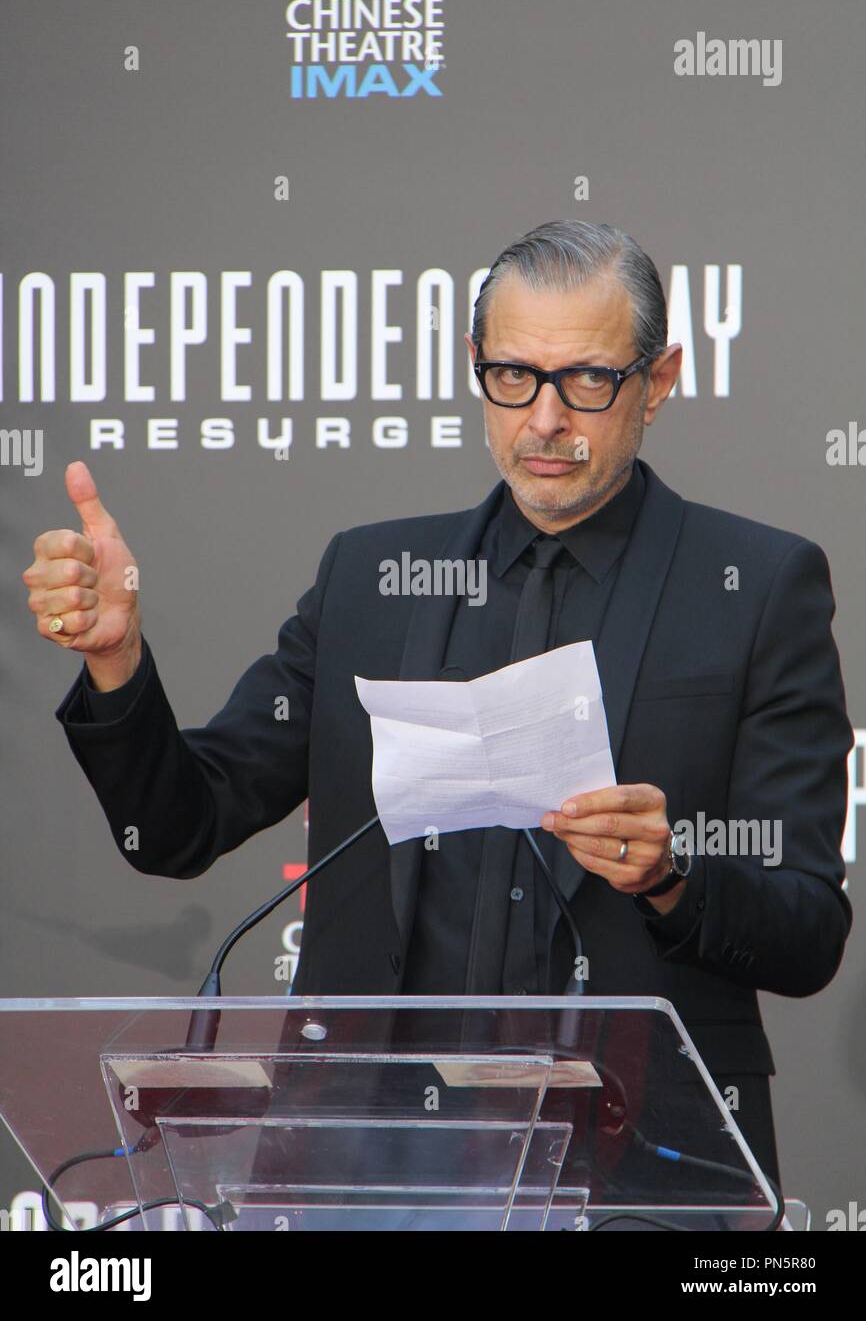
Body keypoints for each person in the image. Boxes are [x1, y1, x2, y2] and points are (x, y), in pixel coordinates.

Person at [23, 220, 852, 1199]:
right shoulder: (368, 580)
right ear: (473, 365)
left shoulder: (755, 587)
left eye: (588, 379)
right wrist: (116, 663)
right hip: (361, 1173)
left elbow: (806, 929)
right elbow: (176, 827)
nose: (544, 418)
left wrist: (674, 876)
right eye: (513, 375)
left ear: (658, 379)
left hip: (643, 1181)